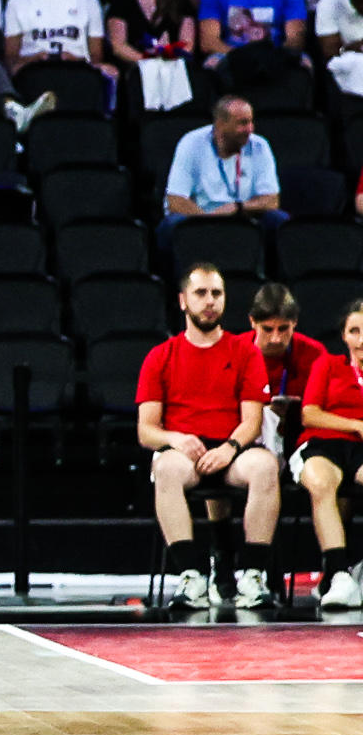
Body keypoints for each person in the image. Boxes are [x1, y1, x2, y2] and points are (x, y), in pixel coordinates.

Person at [137, 263, 279, 610]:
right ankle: (191, 577)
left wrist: (230, 448)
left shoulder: (245, 352)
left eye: (217, 293)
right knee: (167, 469)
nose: (210, 301)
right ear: (183, 301)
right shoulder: (161, 356)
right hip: (185, 449)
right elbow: (146, 430)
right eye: (201, 293)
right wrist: (174, 439)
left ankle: (253, 576)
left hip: (232, 446)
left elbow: (252, 421)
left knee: (265, 466)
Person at [297, 299, 363, 611]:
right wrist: (355, 424)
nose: (362, 339)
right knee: (321, 482)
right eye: (355, 331)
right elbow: (310, 414)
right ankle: (338, 575)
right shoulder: (328, 365)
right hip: (325, 444)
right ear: (345, 336)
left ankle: (357, 567)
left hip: (361, 452)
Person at [161, 95, 285, 243]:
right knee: (171, 225)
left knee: (278, 220)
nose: (250, 129)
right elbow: (176, 200)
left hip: (243, 216)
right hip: (199, 218)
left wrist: (237, 207)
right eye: (243, 123)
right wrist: (211, 223)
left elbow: (271, 200)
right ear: (220, 125)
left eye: (251, 122)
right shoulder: (191, 144)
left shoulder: (259, 145)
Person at [318, 0, 363, 99]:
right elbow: (330, 51)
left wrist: (352, 47)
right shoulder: (328, 3)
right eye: (357, 0)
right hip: (346, 72)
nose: (362, 5)